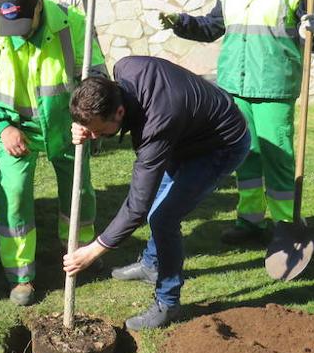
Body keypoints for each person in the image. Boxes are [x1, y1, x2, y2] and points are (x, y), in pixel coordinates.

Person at [63, 56, 250, 331]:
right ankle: (152, 265)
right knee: (157, 211)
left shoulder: (156, 126)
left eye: (100, 132)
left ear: (119, 113)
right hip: (186, 133)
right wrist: (85, 125)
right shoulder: (124, 68)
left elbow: (136, 207)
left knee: (162, 217)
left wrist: (93, 250)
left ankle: (168, 301)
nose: (96, 137)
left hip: (220, 145)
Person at [0, 0, 107, 306]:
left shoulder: (73, 23)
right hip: (14, 127)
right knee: (13, 193)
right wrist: (3, 127)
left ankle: (79, 254)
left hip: (65, 125)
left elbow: (96, 76)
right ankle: (20, 275)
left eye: (23, 24)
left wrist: (85, 121)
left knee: (79, 191)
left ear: (38, 7)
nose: (17, 34)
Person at [158, 0, 314, 244]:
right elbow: (212, 26)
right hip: (234, 87)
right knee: (245, 155)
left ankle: (285, 226)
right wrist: (181, 22)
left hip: (274, 86)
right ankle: (250, 221)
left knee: (278, 157)